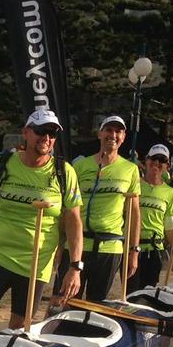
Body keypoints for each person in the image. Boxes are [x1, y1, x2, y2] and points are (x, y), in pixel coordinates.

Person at [0, 109, 83, 345]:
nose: (47, 138)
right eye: (41, 131)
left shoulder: (64, 172)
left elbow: (74, 221)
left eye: (53, 133)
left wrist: (75, 266)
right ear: (26, 133)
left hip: (35, 264)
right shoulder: (5, 164)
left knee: (15, 333)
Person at [65, 115, 140, 300]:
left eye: (118, 131)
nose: (113, 135)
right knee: (64, 302)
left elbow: (134, 212)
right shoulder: (80, 166)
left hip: (110, 247)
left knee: (95, 307)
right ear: (99, 134)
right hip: (78, 244)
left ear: (123, 137)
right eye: (108, 130)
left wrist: (134, 250)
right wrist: (59, 245)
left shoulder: (130, 169)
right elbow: (68, 209)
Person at [134, 144, 173, 290]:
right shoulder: (134, 184)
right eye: (153, 158)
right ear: (146, 160)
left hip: (154, 250)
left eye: (162, 160)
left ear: (167, 165)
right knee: (130, 294)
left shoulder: (169, 192)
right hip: (132, 249)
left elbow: (170, 225)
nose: (157, 163)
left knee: (148, 295)